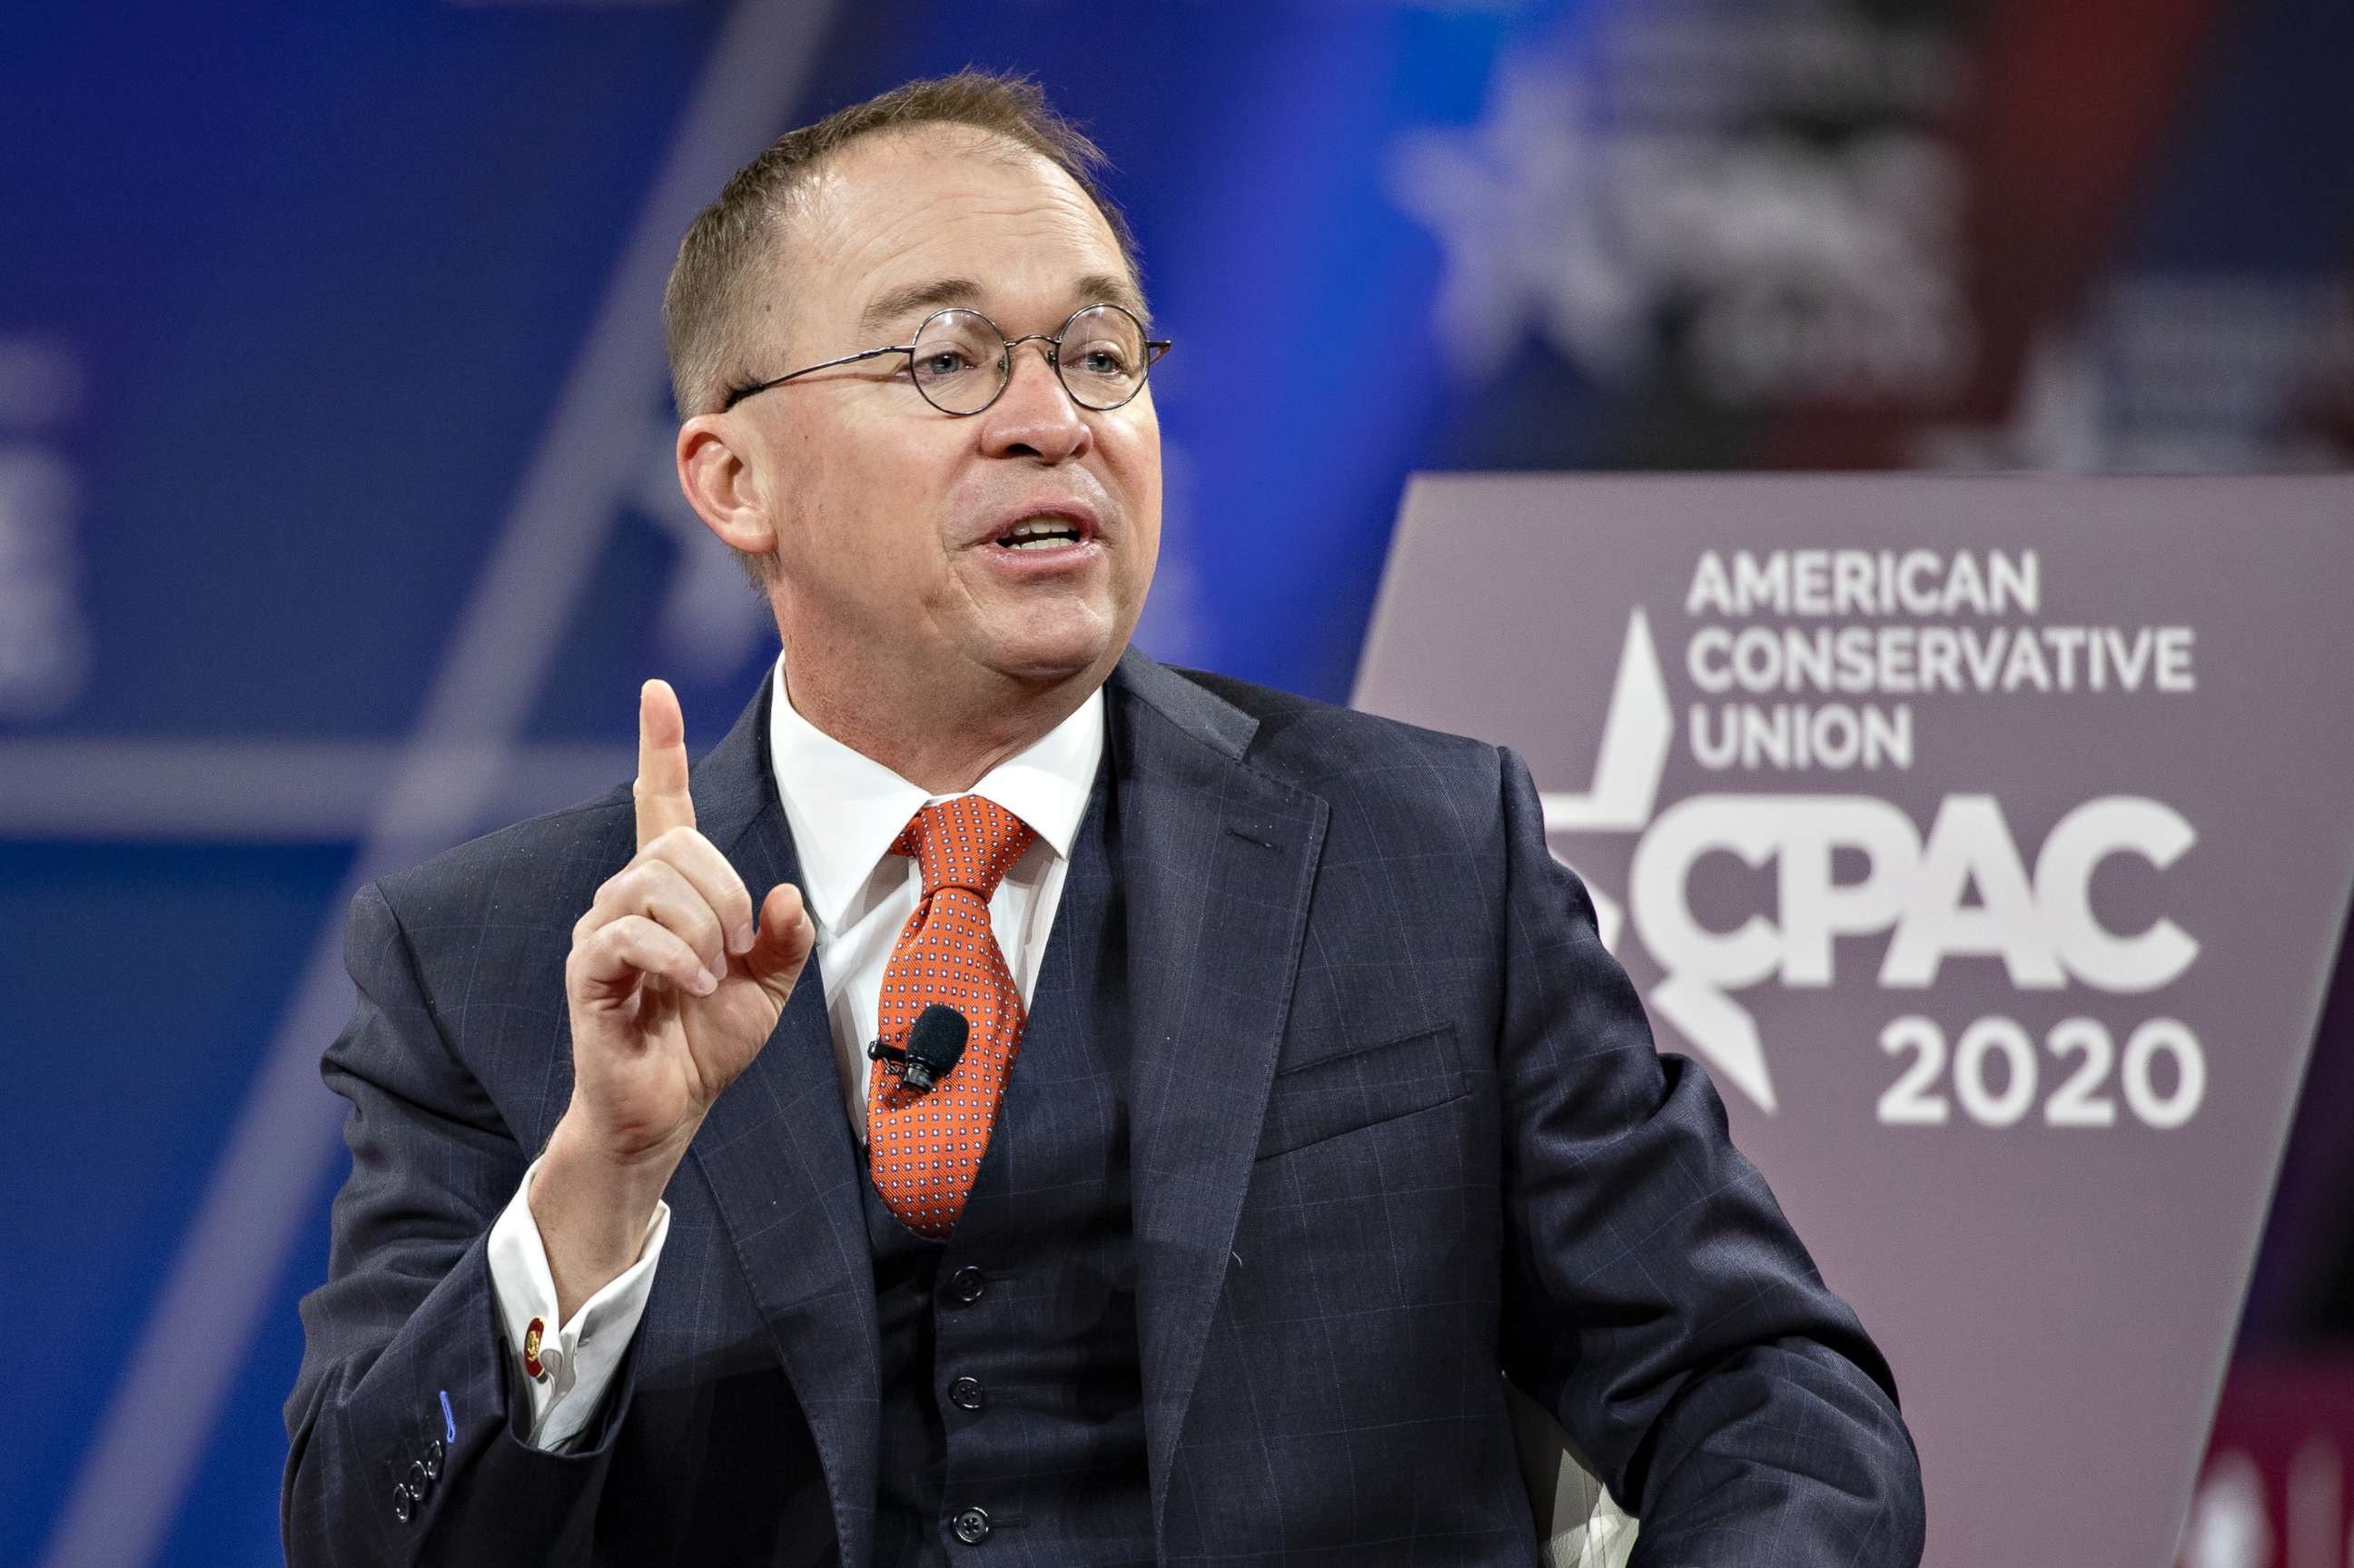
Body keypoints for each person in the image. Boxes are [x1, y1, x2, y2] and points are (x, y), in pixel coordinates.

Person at [283, 71, 1924, 1566]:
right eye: (943, 359)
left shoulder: (1418, 853)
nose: (1048, 418)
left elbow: (1765, 1390)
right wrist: (600, 1186)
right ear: (732, 480)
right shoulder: (501, 960)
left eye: (1096, 353)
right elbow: (367, 1540)